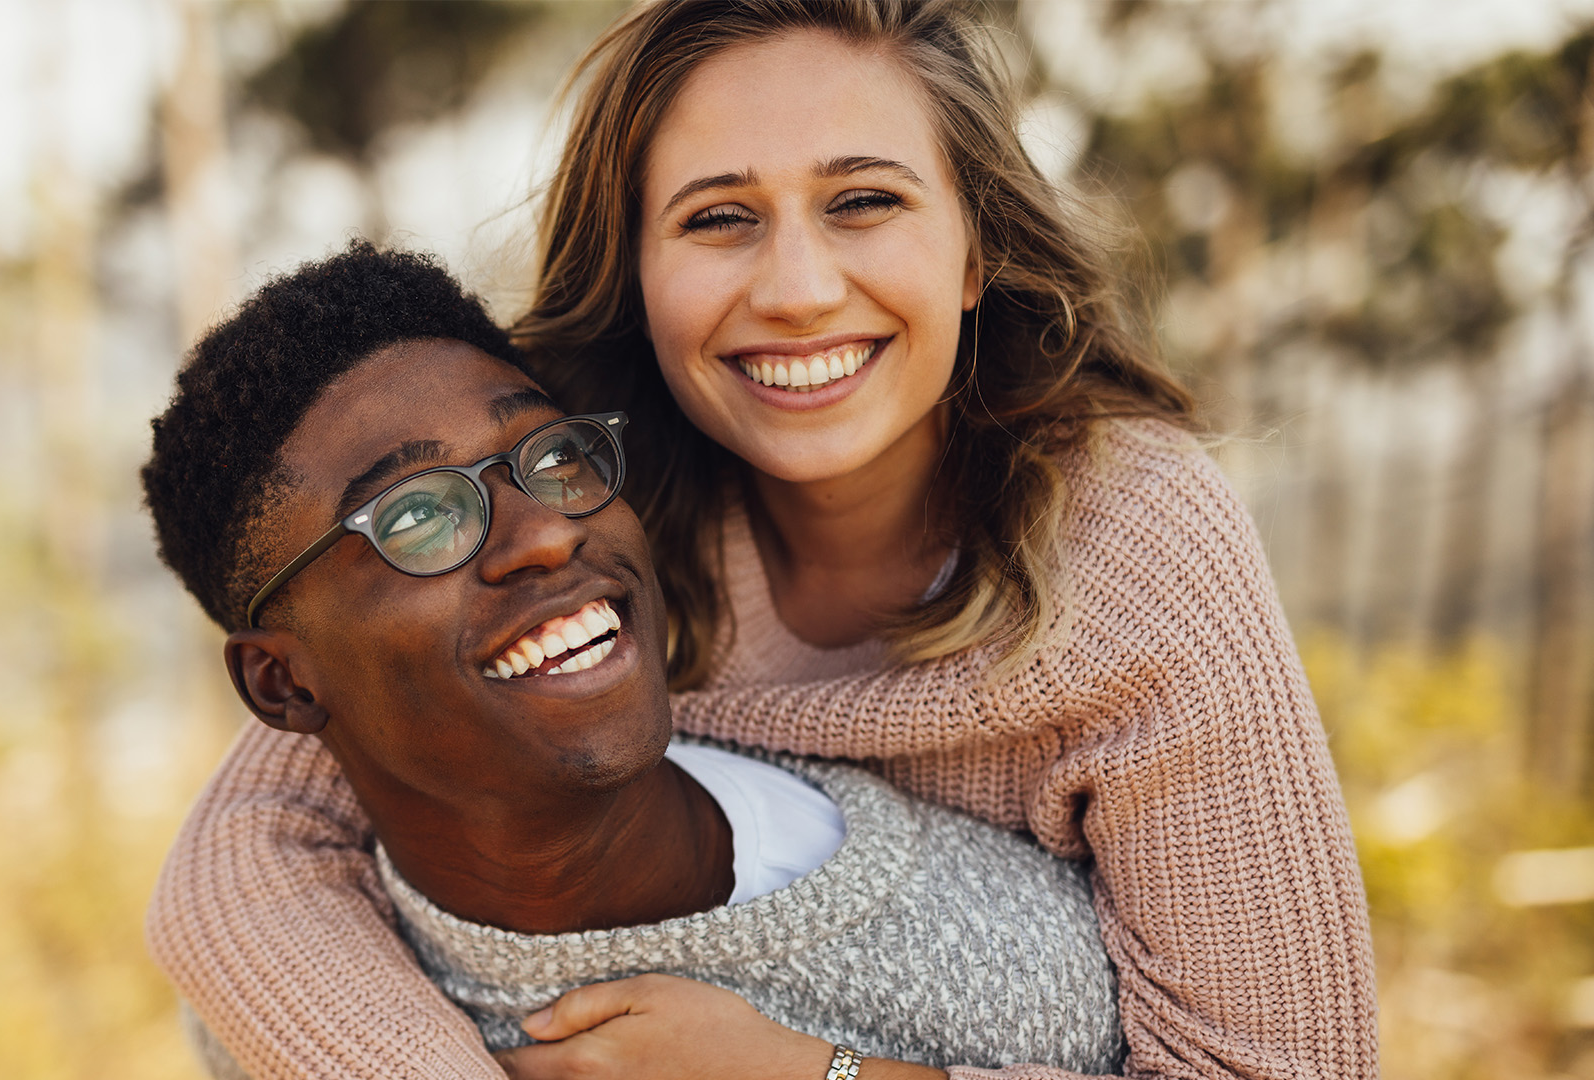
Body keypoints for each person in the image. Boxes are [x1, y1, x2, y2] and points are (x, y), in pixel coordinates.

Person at [145, 2, 1379, 1078]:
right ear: (639, 272)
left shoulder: (1127, 539)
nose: (796, 288)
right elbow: (247, 860)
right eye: (720, 218)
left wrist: (812, 1076)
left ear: (973, 252)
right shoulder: (576, 493)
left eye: (864, 201)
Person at [140, 244, 1125, 1078]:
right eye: (418, 514)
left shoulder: (991, 958)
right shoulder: (278, 1027)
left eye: (552, 457)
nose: (546, 536)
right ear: (282, 681)